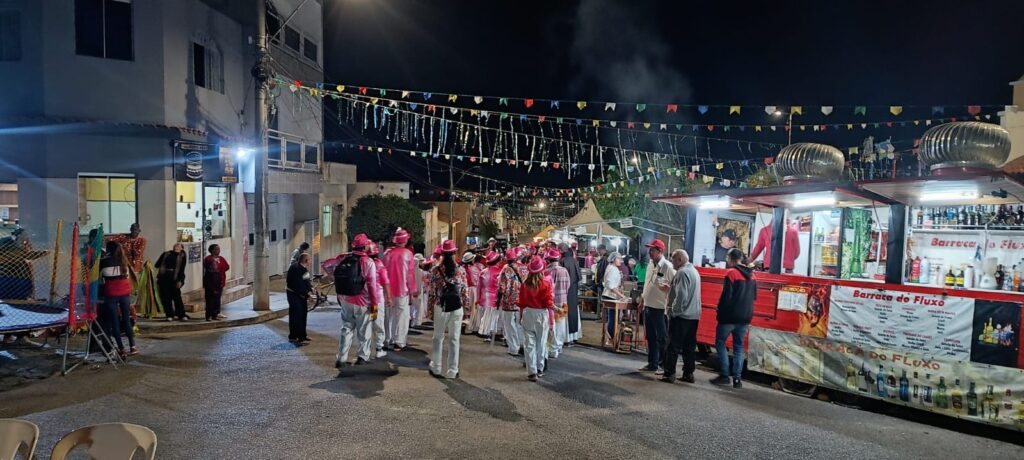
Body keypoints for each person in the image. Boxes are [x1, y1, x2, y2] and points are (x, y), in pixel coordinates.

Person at [711, 248, 757, 388]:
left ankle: (725, 375)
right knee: (738, 347)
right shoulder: (753, 276)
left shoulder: (731, 273)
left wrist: (719, 313)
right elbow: (754, 297)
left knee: (720, 343)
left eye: (727, 258)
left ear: (731, 259)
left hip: (729, 318)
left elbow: (726, 297)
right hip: (745, 318)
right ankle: (737, 379)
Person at [335, 234, 380, 368]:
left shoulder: (344, 259)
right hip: (362, 302)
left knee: (346, 329)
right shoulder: (368, 262)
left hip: (345, 300)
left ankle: (341, 358)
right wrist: (374, 304)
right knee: (364, 331)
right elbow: (372, 285)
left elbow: (331, 271)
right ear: (365, 247)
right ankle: (362, 356)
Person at [428, 240, 470, 379]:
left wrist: (430, 311)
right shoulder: (461, 270)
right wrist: (467, 310)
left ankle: (436, 367)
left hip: (441, 306)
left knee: (438, 338)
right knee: (454, 339)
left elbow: (432, 292)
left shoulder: (435, 271)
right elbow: (465, 292)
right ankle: (453, 370)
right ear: (454, 253)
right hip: (457, 307)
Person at [661, 250, 701, 384]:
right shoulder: (694, 272)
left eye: (673, 259)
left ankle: (669, 374)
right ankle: (689, 373)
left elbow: (681, 296)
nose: (672, 262)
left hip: (681, 316)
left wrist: (673, 312)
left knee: (673, 346)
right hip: (693, 316)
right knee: (689, 347)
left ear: (679, 259)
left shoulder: (682, 273)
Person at [638, 240, 675, 373]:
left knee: (662, 338)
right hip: (648, 305)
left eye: (653, 250)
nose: (650, 252)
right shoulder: (650, 265)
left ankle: (663, 365)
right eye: (650, 250)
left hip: (660, 308)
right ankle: (652, 363)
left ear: (660, 251)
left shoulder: (667, 267)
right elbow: (647, 284)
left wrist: (668, 289)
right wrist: (642, 300)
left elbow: (675, 286)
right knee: (650, 337)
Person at [383, 228, 418, 351]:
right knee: (402, 316)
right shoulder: (408, 254)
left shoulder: (387, 254)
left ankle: (387, 339)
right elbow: (410, 275)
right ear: (405, 241)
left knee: (389, 316)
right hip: (402, 290)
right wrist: (413, 290)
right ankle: (399, 341)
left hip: (388, 291)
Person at [519, 256, 553, 382]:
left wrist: (521, 316)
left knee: (529, 344)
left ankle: (531, 371)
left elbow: (521, 303)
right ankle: (539, 368)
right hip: (541, 314)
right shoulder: (546, 284)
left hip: (528, 313)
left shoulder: (524, 285)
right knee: (541, 343)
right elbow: (548, 303)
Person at [100, 241, 137, 356]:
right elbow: (128, 277)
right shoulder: (124, 261)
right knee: (126, 319)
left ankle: (121, 349)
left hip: (111, 294)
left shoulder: (103, 262)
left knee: (114, 321)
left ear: (108, 250)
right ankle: (133, 347)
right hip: (125, 293)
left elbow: (100, 279)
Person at [497, 248, 525, 356]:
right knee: (519, 325)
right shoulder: (523, 268)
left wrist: (498, 298)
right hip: (521, 301)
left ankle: (513, 348)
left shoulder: (505, 270)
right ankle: (522, 345)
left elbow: (502, 287)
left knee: (510, 326)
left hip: (508, 302)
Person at [544, 248, 570, 359]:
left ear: (549, 259)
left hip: (552, 304)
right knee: (561, 326)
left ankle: (553, 349)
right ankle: (559, 347)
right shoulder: (564, 271)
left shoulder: (547, 271)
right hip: (564, 303)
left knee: (551, 327)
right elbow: (568, 286)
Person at [367, 241, 390, 358]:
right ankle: (379, 348)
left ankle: (365, 351)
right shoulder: (379, 265)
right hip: (376, 300)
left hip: (364, 300)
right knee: (377, 323)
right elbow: (385, 282)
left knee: (366, 325)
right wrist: (389, 297)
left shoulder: (363, 263)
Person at [155, 243, 188, 321]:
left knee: (177, 297)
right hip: (164, 278)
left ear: (182, 249)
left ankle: (181, 314)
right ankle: (169, 315)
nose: (176, 246)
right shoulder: (166, 254)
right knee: (166, 298)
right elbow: (157, 264)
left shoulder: (182, 256)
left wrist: (180, 280)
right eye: (175, 245)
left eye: (179, 246)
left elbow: (182, 270)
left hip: (175, 278)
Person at [286, 253, 313, 343]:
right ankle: (293, 336)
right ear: (306, 261)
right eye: (309, 260)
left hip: (301, 295)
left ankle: (302, 335)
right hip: (293, 294)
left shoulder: (304, 269)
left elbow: (306, 281)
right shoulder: (295, 268)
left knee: (303, 314)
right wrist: (307, 295)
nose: (310, 261)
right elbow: (298, 285)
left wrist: (311, 289)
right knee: (295, 315)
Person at [559, 242, 583, 344]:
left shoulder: (562, 261)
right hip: (574, 290)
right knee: (573, 312)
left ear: (561, 250)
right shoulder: (574, 260)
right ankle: (574, 336)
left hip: (564, 292)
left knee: (565, 313)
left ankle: (566, 338)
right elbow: (579, 277)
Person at [476, 251, 502, 340]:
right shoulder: (499, 272)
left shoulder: (483, 272)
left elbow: (479, 286)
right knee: (493, 316)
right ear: (497, 261)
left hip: (484, 296)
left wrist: (478, 298)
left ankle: (485, 332)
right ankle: (490, 332)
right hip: (495, 297)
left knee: (485, 315)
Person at [202, 244, 230, 321]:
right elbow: (210, 268)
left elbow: (226, 267)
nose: (218, 250)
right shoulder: (208, 259)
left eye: (219, 249)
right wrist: (216, 265)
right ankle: (209, 315)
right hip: (210, 282)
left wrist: (219, 268)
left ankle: (215, 314)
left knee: (217, 299)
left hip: (219, 281)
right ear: (212, 250)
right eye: (216, 249)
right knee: (210, 299)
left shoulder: (221, 258)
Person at [602, 252, 625, 340]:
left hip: (611, 295)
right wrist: (621, 295)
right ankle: (611, 337)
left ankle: (611, 336)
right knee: (613, 317)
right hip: (610, 295)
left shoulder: (612, 268)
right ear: (614, 259)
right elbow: (611, 286)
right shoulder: (612, 269)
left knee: (613, 317)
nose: (621, 261)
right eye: (619, 259)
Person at [462, 252, 481, 333]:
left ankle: (464, 326)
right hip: (473, 290)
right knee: (473, 309)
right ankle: (470, 327)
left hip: (465, 289)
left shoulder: (462, 268)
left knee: (465, 308)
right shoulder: (475, 268)